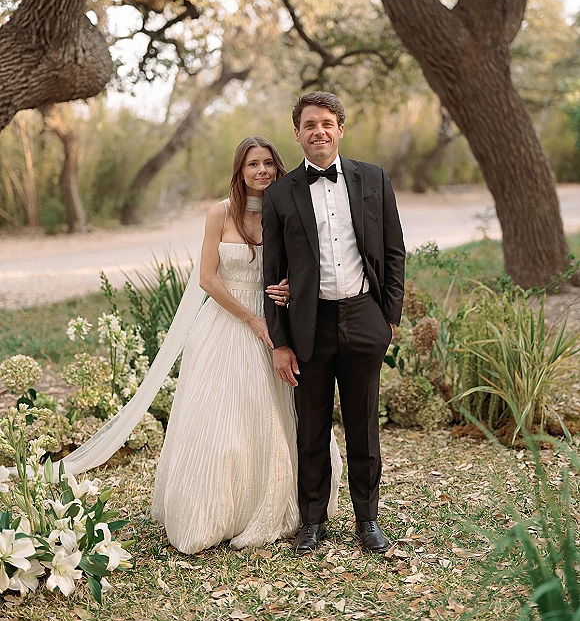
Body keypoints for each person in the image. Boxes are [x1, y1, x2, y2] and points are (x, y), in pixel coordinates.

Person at [63, 135, 341, 554]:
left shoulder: (288, 210)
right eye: (253, 164)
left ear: (278, 167)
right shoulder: (220, 213)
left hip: (276, 323)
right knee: (223, 419)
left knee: (272, 415)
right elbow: (207, 278)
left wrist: (286, 294)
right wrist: (250, 318)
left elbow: (307, 264)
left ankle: (274, 504)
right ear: (240, 170)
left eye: (268, 163)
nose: (262, 171)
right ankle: (213, 509)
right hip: (227, 322)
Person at [262, 92, 405, 555]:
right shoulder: (280, 193)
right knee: (312, 428)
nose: (318, 131)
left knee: (364, 425)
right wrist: (280, 340)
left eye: (326, 123)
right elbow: (272, 273)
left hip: (365, 316)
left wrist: (389, 319)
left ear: (340, 128)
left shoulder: (374, 179)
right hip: (310, 323)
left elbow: (394, 252)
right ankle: (312, 523)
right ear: (298, 133)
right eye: (309, 124)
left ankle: (367, 520)